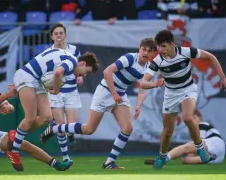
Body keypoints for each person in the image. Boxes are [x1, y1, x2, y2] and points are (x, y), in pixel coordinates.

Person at [42, 38, 158, 169]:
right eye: (144, 49)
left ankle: (109, 162)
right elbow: (107, 71)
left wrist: (138, 105)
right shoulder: (130, 58)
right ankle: (55, 128)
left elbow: (142, 87)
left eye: (149, 51)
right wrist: (114, 93)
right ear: (140, 48)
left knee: (127, 128)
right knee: (88, 129)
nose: (145, 52)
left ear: (154, 53)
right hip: (105, 91)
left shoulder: (148, 68)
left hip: (119, 94)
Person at [140, 30, 226, 169]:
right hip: (170, 95)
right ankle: (162, 156)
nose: (160, 50)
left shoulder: (185, 52)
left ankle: (200, 149)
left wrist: (223, 78)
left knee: (187, 117)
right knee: (167, 132)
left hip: (188, 89)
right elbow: (143, 82)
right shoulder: (157, 61)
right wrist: (154, 84)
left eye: (163, 46)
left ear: (172, 44)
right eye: (159, 47)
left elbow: (210, 57)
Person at [0, 66, 73, 172]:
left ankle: (56, 164)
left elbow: (10, 107)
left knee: (24, 143)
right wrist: (8, 94)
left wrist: (9, 107)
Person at [10, 48, 99, 170]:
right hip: (27, 75)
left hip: (37, 79)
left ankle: (15, 136)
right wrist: (56, 90)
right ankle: (14, 150)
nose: (84, 75)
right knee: (30, 118)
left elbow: (49, 64)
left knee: (47, 117)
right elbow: (57, 73)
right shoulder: (72, 61)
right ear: (82, 63)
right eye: (87, 72)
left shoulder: (68, 59)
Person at [44, 23, 83, 162]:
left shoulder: (74, 50)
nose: (59, 36)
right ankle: (66, 157)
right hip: (55, 93)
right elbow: (45, 74)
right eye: (56, 34)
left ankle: (70, 135)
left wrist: (80, 77)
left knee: (71, 126)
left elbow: (80, 69)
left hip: (72, 91)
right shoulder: (47, 53)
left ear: (65, 35)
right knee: (61, 127)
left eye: (61, 33)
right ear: (52, 37)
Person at [144, 110, 225, 165]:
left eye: (194, 118)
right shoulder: (196, 130)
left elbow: (199, 144)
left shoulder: (202, 124)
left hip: (215, 143)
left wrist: (190, 152)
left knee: (184, 148)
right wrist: (190, 155)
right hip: (219, 156)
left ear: (200, 118)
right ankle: (209, 158)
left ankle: (163, 159)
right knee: (186, 160)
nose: (192, 121)